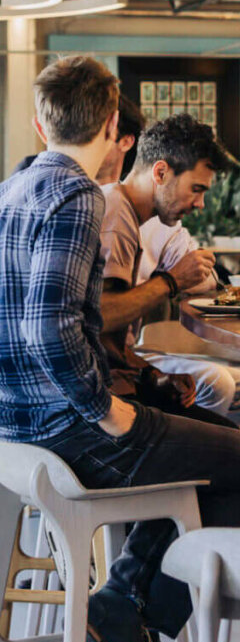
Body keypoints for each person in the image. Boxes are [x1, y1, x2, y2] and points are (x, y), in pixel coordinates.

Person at [0, 54, 240, 642]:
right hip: (70, 432)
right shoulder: (79, 196)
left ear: (39, 124)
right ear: (114, 124)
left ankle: (125, 611)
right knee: (228, 455)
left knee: (196, 449)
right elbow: (50, 328)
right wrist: (104, 408)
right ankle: (125, 610)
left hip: (9, 437)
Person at [99, 113, 237, 420]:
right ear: (160, 172)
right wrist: (172, 280)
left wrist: (152, 370)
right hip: (110, 405)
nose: (200, 203)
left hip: (125, 383)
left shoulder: (126, 213)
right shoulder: (116, 214)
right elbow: (102, 315)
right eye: (197, 189)